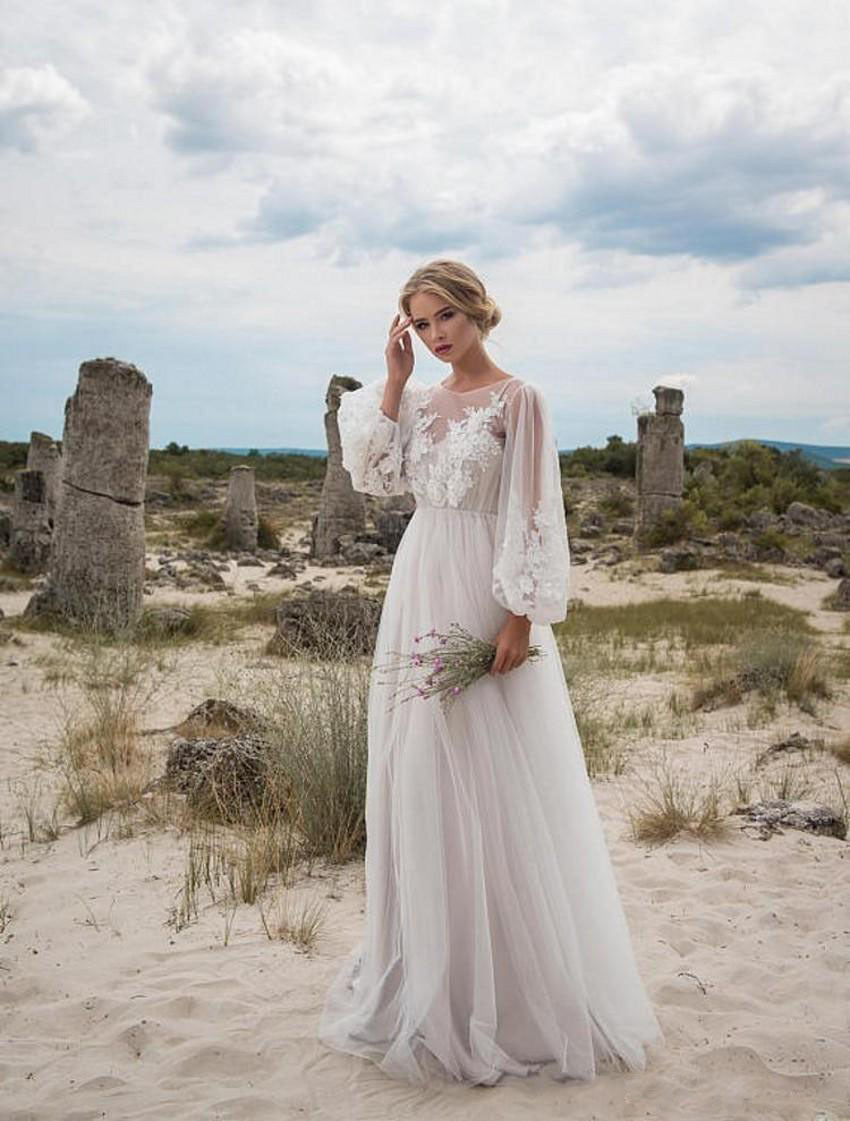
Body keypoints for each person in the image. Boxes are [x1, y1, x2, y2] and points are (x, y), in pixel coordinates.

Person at [317, 259, 663, 1087]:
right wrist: (396, 381)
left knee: (490, 774)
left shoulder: (521, 400)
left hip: (482, 590)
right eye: (419, 322)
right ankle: (431, 968)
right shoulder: (421, 397)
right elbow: (376, 475)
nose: (436, 335)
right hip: (418, 579)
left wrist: (520, 614)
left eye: (445, 318)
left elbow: (536, 509)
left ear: (476, 311)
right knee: (421, 771)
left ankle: (509, 989)